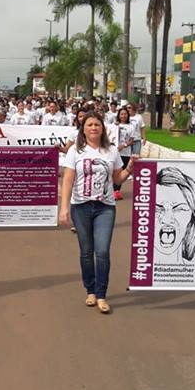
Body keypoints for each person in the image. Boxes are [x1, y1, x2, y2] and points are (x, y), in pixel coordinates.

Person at [59, 112, 135, 314]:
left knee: (102, 252)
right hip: (81, 206)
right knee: (86, 252)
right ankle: (90, 290)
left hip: (105, 207)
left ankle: (101, 294)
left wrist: (129, 169)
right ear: (83, 129)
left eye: (97, 125)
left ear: (103, 128)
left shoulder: (110, 151)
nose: (93, 128)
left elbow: (118, 177)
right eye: (90, 125)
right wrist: (64, 208)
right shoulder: (75, 151)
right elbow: (67, 180)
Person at [154, 167, 195, 264]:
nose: (167, 219)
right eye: (157, 209)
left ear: (192, 217)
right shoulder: (141, 273)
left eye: (179, 209)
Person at [112, 108, 135, 201]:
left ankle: (116, 190)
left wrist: (124, 145)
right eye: (121, 114)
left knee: (121, 172)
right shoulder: (114, 126)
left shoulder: (131, 127)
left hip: (125, 153)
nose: (123, 116)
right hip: (114, 152)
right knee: (113, 171)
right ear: (118, 115)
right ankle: (112, 190)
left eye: (125, 114)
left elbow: (132, 140)